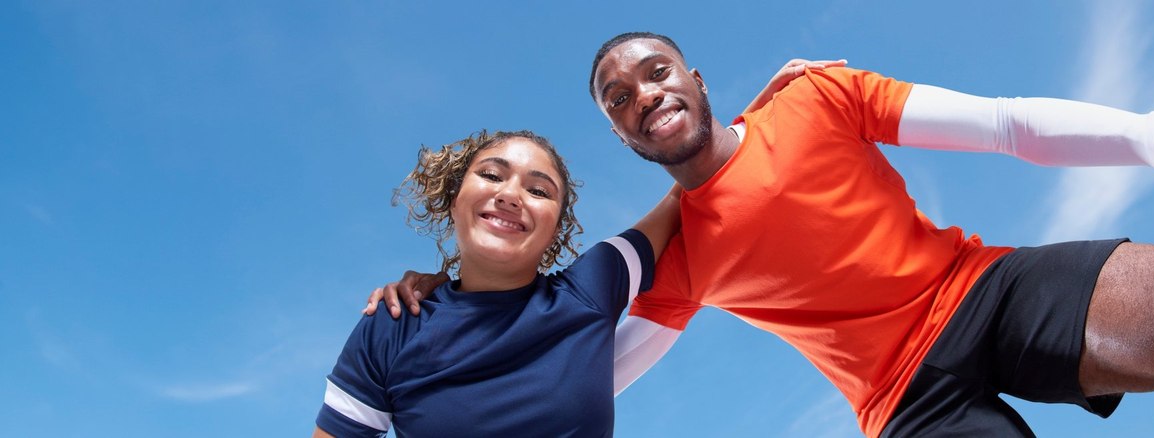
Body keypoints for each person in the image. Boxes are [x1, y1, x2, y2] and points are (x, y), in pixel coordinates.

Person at [372, 31, 1154, 437]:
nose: (643, 94)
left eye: (654, 71)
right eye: (618, 99)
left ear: (693, 79)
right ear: (624, 138)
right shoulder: (676, 257)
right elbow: (582, 376)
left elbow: (1006, 126)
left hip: (983, 290)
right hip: (907, 401)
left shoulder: (815, 98)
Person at [317, 60, 844, 437]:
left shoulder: (589, 291)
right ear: (454, 198)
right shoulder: (391, 321)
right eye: (492, 175)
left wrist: (753, 122)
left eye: (539, 190)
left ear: (555, 231)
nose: (510, 194)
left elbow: (689, 186)